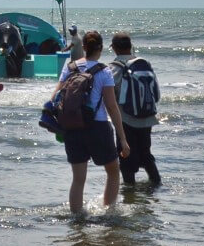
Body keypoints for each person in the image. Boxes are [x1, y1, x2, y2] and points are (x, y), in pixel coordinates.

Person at [49, 31, 130, 214]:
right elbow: (111, 106)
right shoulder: (104, 71)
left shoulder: (69, 67)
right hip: (98, 127)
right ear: (100, 48)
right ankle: (109, 213)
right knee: (113, 171)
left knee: (78, 179)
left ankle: (76, 220)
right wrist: (123, 139)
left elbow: (55, 98)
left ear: (83, 47)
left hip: (72, 128)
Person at [109, 32, 161, 185]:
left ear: (114, 48)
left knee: (126, 158)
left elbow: (110, 96)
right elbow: (156, 94)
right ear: (130, 47)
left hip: (125, 120)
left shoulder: (114, 68)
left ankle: (130, 196)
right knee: (146, 155)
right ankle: (156, 185)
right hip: (147, 118)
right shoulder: (144, 64)